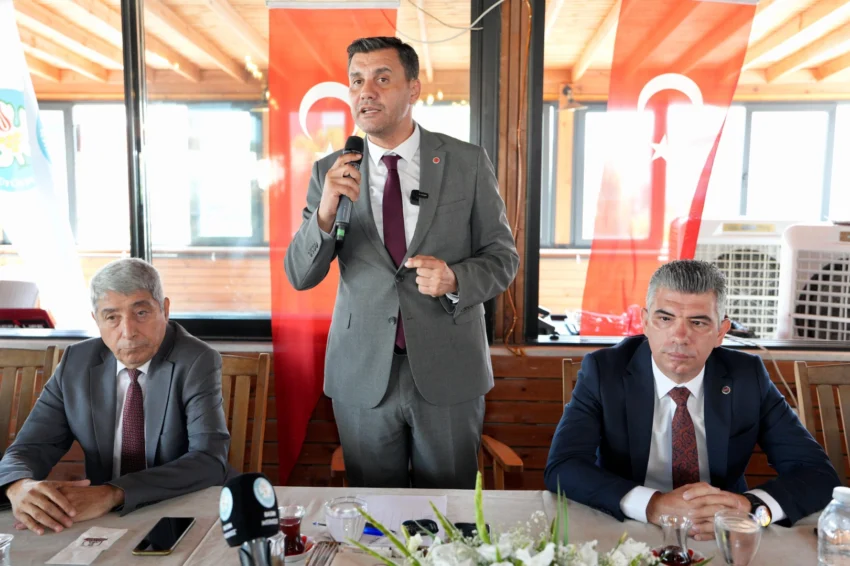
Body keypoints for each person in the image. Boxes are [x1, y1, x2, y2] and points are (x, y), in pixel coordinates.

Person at [284, 36, 518, 489]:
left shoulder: (466, 162)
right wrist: (326, 212)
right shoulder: (329, 171)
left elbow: (502, 257)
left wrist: (455, 278)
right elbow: (300, 274)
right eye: (356, 80)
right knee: (374, 515)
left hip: (449, 369)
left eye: (382, 79)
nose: (366, 92)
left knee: (450, 511)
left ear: (413, 89)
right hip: (362, 373)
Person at [545, 260, 839, 539]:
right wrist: (653, 505)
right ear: (645, 322)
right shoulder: (604, 372)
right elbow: (565, 465)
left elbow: (817, 473)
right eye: (665, 319)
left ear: (721, 332)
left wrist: (750, 509)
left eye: (698, 323)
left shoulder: (746, 377)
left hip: (718, 528)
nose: (680, 336)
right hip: (629, 525)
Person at [0, 258, 230, 535]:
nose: (128, 332)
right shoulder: (76, 362)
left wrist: (112, 493)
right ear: (96, 320)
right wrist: (19, 485)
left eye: (141, 313)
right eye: (112, 317)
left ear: (165, 309)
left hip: (179, 508)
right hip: (103, 518)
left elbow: (209, 460)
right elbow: (29, 448)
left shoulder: (197, 360)